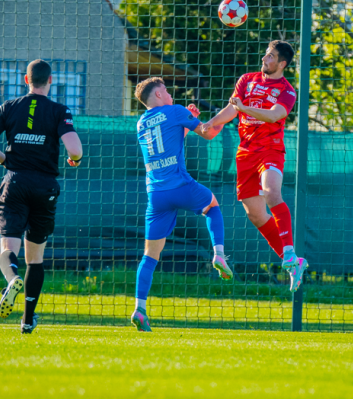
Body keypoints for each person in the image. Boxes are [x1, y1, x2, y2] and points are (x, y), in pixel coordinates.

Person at [0, 59, 83, 334]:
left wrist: (6, 162)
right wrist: (74, 160)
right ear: (50, 81)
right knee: (34, 259)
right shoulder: (60, 110)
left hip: (15, 182)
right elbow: (75, 150)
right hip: (45, 188)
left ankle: (11, 279)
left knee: (7, 249)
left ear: (26, 80)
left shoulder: (9, 107)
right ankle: (27, 321)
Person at [201, 40, 307, 292]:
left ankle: (290, 252)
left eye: (270, 56)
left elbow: (273, 115)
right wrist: (209, 126)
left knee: (271, 192)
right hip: (245, 153)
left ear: (282, 64)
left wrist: (244, 108)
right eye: (266, 53)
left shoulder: (287, 90)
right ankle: (292, 261)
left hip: (270, 149)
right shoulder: (247, 79)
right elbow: (231, 109)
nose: (264, 58)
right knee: (256, 214)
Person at [131, 77, 233, 332]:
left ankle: (139, 308)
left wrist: (187, 123)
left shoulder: (141, 122)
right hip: (180, 185)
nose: (169, 93)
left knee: (149, 256)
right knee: (212, 205)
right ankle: (219, 254)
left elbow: (167, 139)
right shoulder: (175, 111)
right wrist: (224, 118)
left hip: (156, 195)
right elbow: (208, 133)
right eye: (165, 90)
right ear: (156, 96)